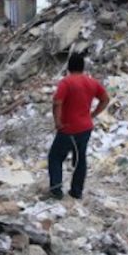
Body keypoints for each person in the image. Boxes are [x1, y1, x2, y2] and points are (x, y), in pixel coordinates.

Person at [48, 52, 109, 200]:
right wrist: (93, 115)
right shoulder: (92, 82)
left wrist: (57, 122)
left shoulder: (66, 82)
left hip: (68, 128)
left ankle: (56, 190)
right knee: (80, 158)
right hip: (85, 128)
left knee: (55, 157)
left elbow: (57, 103)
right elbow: (105, 99)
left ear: (69, 67)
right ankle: (76, 191)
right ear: (83, 67)